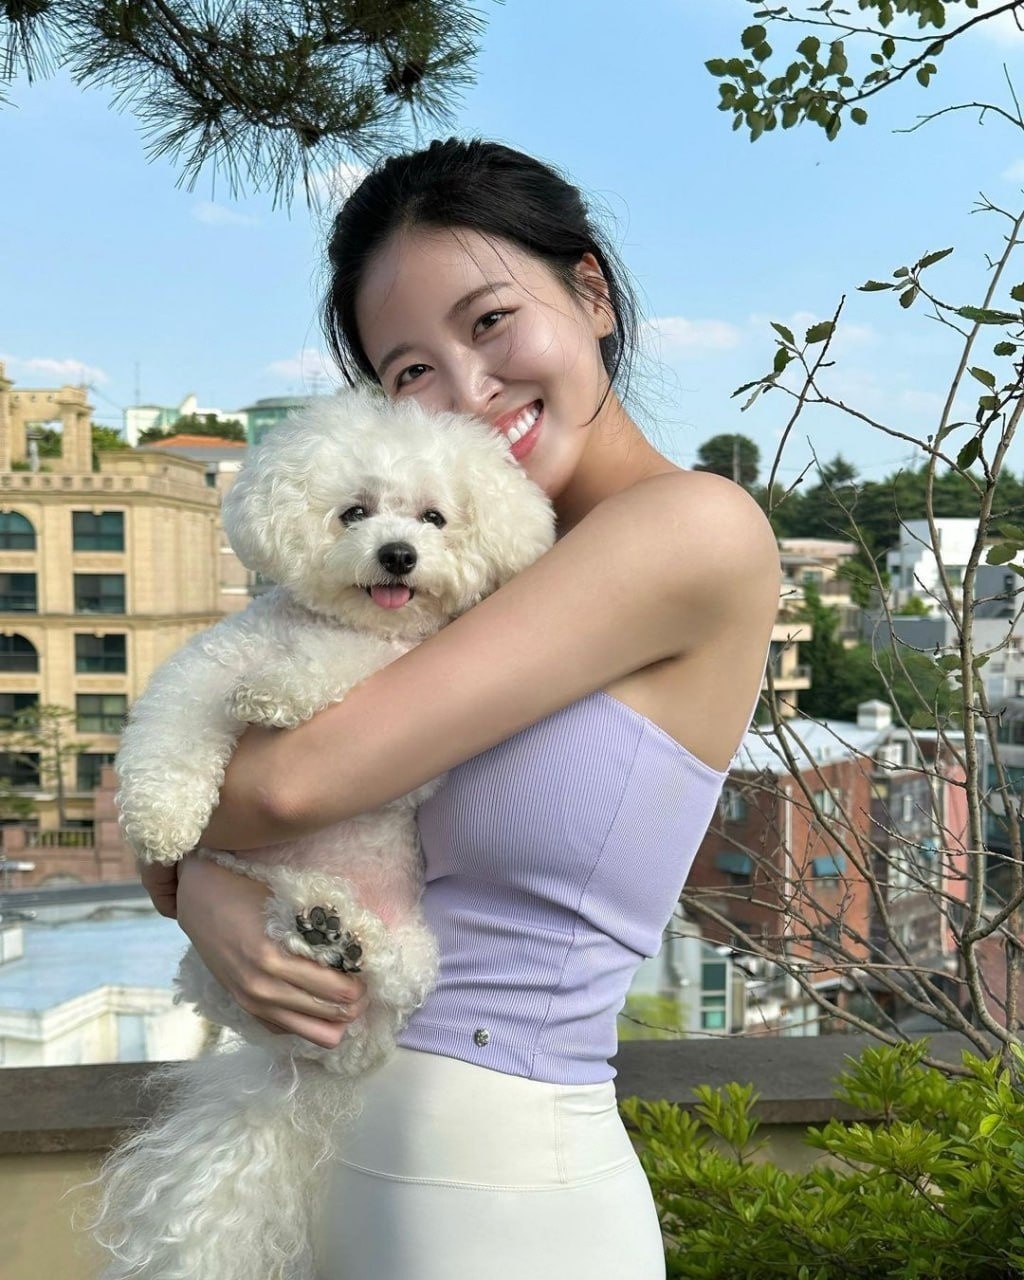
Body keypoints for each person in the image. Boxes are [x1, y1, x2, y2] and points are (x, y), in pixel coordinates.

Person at [140, 138, 781, 1278]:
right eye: (411, 370)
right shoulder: (446, 581)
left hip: (504, 1193)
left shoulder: (689, 529)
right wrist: (200, 889)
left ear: (590, 293)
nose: (470, 393)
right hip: (338, 1167)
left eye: (490, 322)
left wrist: (182, 868)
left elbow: (287, 783)